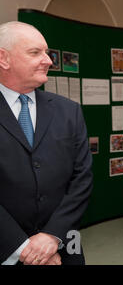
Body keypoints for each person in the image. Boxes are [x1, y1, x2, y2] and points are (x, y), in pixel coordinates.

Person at [0, 21, 93, 265]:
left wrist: (52, 237)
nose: (48, 60)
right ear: (3, 59)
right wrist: (23, 249)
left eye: (47, 52)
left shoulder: (68, 111)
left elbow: (81, 179)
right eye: (35, 53)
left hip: (64, 250)